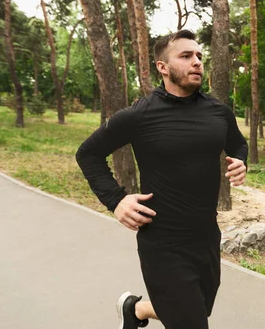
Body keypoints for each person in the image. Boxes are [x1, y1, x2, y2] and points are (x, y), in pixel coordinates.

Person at [76, 29, 248, 329]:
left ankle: (137, 310)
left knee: (199, 309)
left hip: (207, 236)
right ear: (163, 67)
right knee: (192, 321)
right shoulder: (140, 115)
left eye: (199, 56)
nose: (196, 62)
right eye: (186, 56)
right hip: (163, 242)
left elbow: (237, 143)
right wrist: (116, 200)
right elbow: (88, 154)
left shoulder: (219, 112)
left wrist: (241, 161)